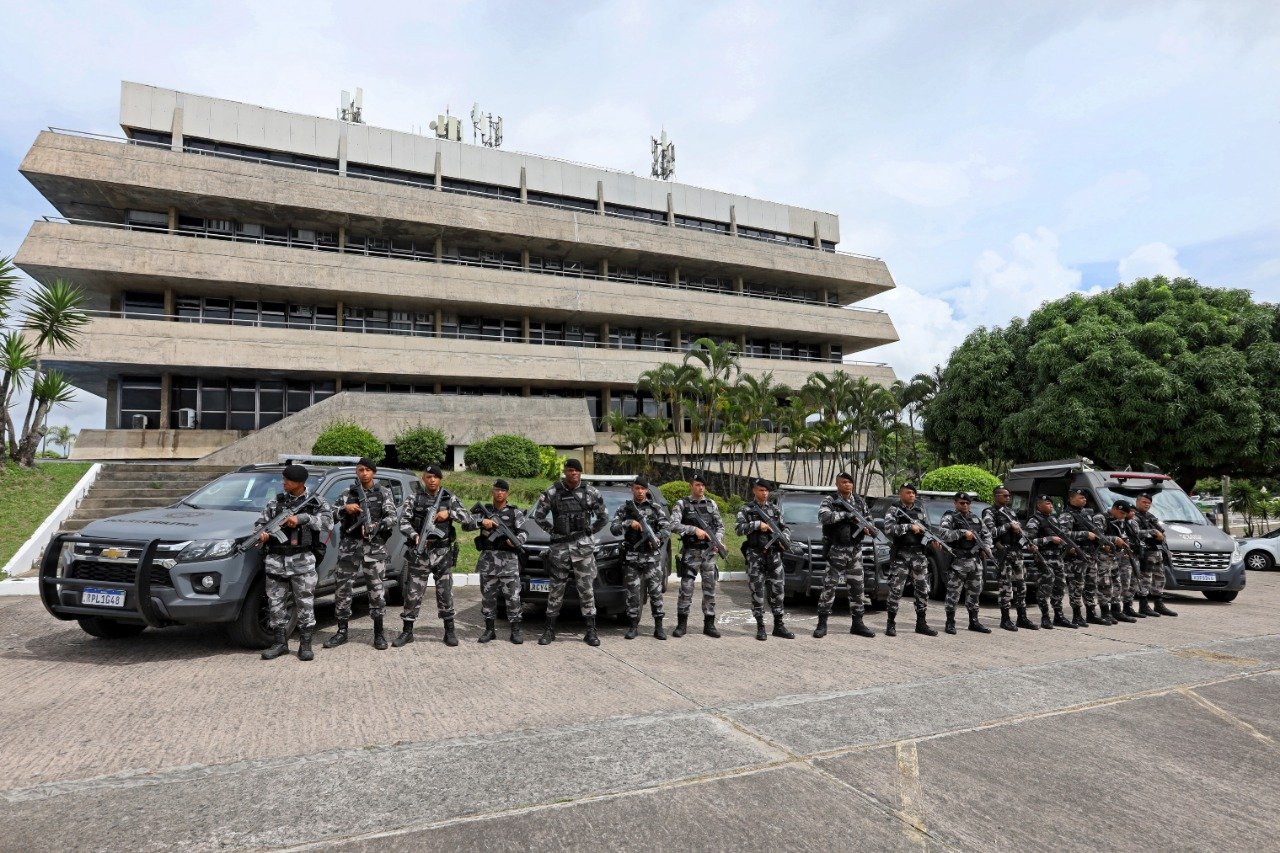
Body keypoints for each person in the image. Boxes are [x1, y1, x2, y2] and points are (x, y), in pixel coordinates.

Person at [256, 464, 333, 661]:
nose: (283, 483)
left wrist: (303, 518)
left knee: (305, 602)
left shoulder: (316, 502)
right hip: (276, 560)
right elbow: (260, 524)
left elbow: (328, 523)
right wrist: (262, 535)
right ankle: (280, 643)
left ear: (299, 482)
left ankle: (305, 644)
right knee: (275, 603)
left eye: (287, 480)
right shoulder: (276, 502)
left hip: (302, 560)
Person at [391, 465, 472, 648]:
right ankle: (407, 631)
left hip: (442, 552)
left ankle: (449, 631)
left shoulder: (449, 498)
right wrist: (414, 535)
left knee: (445, 592)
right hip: (420, 553)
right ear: (423, 479)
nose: (432, 480)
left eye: (436, 477)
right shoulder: (414, 498)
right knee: (413, 592)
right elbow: (403, 522)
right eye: (429, 477)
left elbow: (467, 518)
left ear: (440, 479)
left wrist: (449, 513)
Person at [532, 458, 608, 646]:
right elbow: (538, 516)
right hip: (560, 548)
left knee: (586, 590)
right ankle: (549, 630)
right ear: (565, 472)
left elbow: (604, 517)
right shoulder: (553, 492)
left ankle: (591, 631)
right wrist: (553, 531)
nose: (573, 473)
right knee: (556, 589)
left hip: (583, 549)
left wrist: (590, 531)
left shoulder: (590, 492)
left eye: (576, 470)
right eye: (570, 470)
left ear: (580, 472)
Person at [325, 457, 398, 650]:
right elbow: (329, 516)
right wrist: (344, 509)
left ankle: (379, 633)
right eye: (360, 470)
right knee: (342, 589)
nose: (364, 473)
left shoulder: (383, 493)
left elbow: (392, 517)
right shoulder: (347, 493)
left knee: (376, 591)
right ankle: (342, 631)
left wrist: (377, 525)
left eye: (367, 470)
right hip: (349, 548)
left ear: (373, 472)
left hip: (374, 548)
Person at [465, 479, 528, 644]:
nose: (500, 493)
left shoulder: (515, 513)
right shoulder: (484, 511)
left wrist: (516, 541)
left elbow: (524, 532)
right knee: (488, 597)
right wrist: (481, 522)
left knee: (513, 597)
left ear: (507, 493)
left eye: (503, 491)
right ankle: (489, 630)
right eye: (497, 490)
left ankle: (515, 631)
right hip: (488, 561)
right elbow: (466, 524)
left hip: (509, 562)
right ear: (492, 492)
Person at [814, 472, 876, 639]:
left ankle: (858, 623)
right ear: (837, 484)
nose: (848, 485)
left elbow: (869, 519)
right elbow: (824, 517)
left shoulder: (859, 502)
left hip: (855, 550)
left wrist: (867, 527)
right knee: (829, 587)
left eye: (850, 482)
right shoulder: (830, 500)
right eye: (844, 482)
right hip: (836, 549)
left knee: (857, 588)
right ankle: (822, 624)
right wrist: (846, 515)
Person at [610, 476, 671, 640]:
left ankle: (659, 627)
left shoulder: (655, 508)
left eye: (643, 488)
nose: (640, 491)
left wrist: (656, 537)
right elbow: (614, 528)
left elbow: (666, 529)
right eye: (637, 488)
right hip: (632, 558)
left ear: (646, 490)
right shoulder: (625, 509)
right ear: (632, 489)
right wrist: (629, 523)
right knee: (633, 594)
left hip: (651, 558)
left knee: (656, 593)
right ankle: (632, 626)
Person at [735, 478, 794, 641]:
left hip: (774, 555)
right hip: (756, 555)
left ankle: (779, 626)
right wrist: (756, 525)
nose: (765, 493)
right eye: (761, 490)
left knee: (778, 590)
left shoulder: (775, 509)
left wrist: (784, 538)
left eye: (767, 490)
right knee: (757, 591)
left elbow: (785, 527)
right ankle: (760, 627)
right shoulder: (746, 509)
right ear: (754, 490)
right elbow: (738, 529)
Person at [668, 473, 724, 638]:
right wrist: (693, 530)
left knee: (710, 589)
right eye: (697, 485)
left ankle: (709, 624)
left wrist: (717, 540)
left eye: (702, 485)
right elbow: (673, 525)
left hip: (709, 554)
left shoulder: (711, 504)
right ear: (691, 486)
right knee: (686, 589)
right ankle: (681, 625)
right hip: (691, 553)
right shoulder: (682, 504)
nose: (700, 488)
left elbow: (720, 526)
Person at [883, 483, 941, 637]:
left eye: (913, 493)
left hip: (919, 556)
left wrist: (932, 540)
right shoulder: (894, 509)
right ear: (901, 494)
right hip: (901, 555)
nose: (911, 495)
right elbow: (888, 529)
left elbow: (926, 530)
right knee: (896, 590)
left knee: (923, 590)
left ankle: (921, 623)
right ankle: (890, 623)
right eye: (908, 492)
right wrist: (909, 527)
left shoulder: (919, 511)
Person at [981, 487, 1037, 631]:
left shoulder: (1011, 512)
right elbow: (991, 532)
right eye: (1005, 495)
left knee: (1021, 586)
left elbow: (1020, 533)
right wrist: (1007, 525)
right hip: (1003, 553)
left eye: (1009, 495)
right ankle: (1005, 619)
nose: (1008, 498)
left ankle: (1022, 617)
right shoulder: (989, 512)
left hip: (1016, 552)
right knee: (1005, 587)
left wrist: (1028, 543)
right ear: (996, 496)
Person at [937, 492, 993, 635]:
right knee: (953, 593)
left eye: (968, 503)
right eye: (962, 503)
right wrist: (962, 533)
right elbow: (943, 534)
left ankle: (974, 622)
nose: (965, 505)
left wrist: (986, 547)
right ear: (955, 503)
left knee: (975, 593)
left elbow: (987, 535)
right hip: (958, 562)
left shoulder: (976, 519)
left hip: (975, 562)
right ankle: (950, 622)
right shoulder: (949, 517)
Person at [1060, 488, 1110, 627]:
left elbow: (1095, 532)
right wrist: (1085, 534)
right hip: (1076, 557)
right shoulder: (1066, 516)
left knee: (1090, 585)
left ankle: (1091, 614)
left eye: (1085, 498)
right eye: (1081, 497)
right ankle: (1077, 616)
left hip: (1090, 555)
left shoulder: (1086, 514)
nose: (1084, 500)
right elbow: (1063, 535)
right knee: (1077, 586)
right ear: (1071, 499)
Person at [1025, 495, 1073, 629]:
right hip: (1044, 558)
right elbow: (1028, 541)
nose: (1051, 506)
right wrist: (1049, 539)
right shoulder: (1034, 521)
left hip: (1058, 558)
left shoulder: (1053, 519)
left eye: (1051, 504)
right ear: (1039, 505)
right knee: (1045, 589)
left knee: (1060, 587)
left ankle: (1058, 616)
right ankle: (1045, 617)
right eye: (1047, 503)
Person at [1133, 493, 1177, 617]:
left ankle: (1159, 604)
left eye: (1149, 503)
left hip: (1157, 551)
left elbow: (1161, 532)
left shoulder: (1150, 516)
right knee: (1145, 579)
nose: (1147, 505)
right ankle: (1143, 605)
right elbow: (1135, 533)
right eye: (1144, 502)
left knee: (1160, 578)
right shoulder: (1133, 516)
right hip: (1145, 552)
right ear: (1137, 501)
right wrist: (1152, 532)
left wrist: (1161, 538)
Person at [1101, 500, 1138, 623]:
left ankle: (1116, 610)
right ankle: (1105, 612)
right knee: (1104, 585)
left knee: (1117, 584)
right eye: (1121, 513)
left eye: (1125, 514)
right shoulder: (1101, 518)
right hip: (1102, 557)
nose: (1123, 516)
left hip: (1115, 557)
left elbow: (1123, 536)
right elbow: (1097, 536)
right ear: (1115, 508)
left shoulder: (1119, 521)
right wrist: (1114, 539)